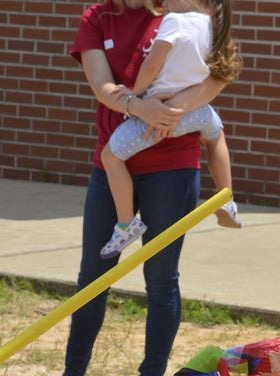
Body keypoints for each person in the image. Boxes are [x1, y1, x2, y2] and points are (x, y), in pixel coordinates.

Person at [28, 0, 229, 376]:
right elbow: (102, 86)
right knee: (93, 274)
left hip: (172, 168)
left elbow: (219, 75)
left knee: (160, 279)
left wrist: (171, 111)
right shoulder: (97, 17)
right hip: (112, 163)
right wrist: (140, 107)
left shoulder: (184, 9)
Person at [99, 0, 242, 259]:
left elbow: (152, 65)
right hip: (195, 111)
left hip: (157, 116)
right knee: (216, 135)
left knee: (110, 157)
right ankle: (226, 199)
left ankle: (126, 223)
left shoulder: (173, 21)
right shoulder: (210, 24)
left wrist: (135, 93)